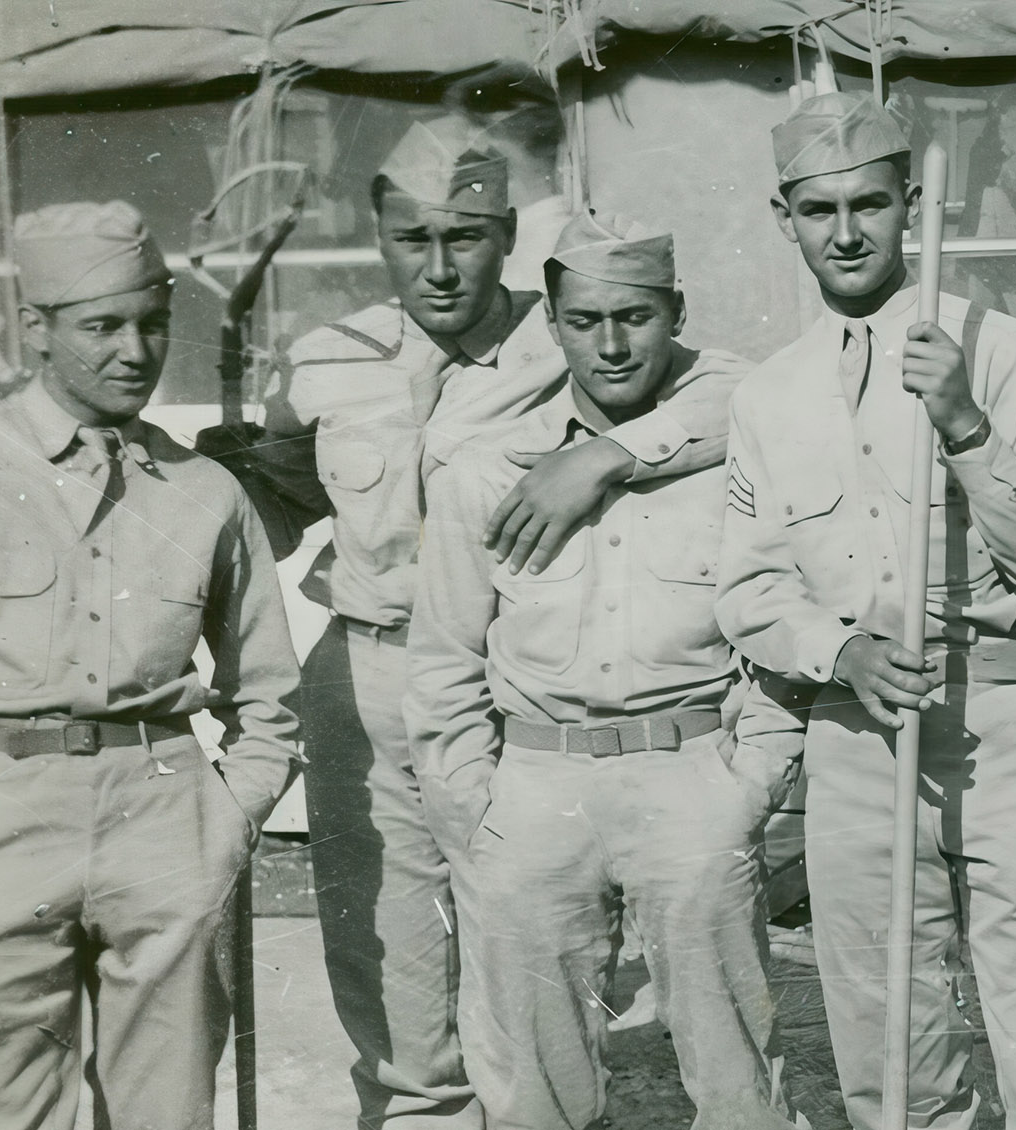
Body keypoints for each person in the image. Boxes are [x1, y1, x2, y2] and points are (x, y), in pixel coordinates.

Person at [201, 117, 745, 1128]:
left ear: (507, 239)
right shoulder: (326, 360)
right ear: (380, 237)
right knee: (386, 949)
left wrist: (605, 455)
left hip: (507, 682)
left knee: (520, 942)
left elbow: (734, 392)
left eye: (467, 237)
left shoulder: (576, 330)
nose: (442, 267)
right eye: (415, 240)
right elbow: (274, 501)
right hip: (360, 680)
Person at [716, 90, 1016, 1130]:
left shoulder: (994, 344)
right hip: (858, 728)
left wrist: (963, 421)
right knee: (885, 1034)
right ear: (784, 218)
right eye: (818, 210)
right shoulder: (769, 395)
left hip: (1001, 725)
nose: (845, 232)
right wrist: (837, 648)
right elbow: (749, 585)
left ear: (908, 205)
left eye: (868, 204)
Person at [406, 211, 801, 1130]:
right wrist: (476, 808)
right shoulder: (486, 470)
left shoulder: (738, 445)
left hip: (693, 777)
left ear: (677, 314)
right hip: (537, 785)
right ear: (552, 321)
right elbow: (444, 660)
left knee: (737, 1076)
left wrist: (753, 780)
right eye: (584, 321)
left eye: (637, 317)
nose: (613, 344)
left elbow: (779, 617)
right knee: (535, 1089)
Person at [0, 201, 302, 1130]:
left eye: (154, 324)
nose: (135, 351)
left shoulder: (205, 491)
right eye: (102, 326)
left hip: (165, 812)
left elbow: (268, 689)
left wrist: (228, 818)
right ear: (35, 329)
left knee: (168, 1109)